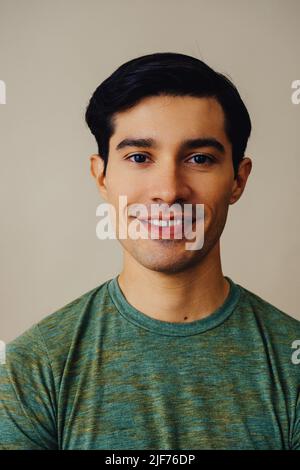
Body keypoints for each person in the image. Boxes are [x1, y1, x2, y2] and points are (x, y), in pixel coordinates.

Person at [0, 52, 299, 450]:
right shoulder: (31, 369)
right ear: (101, 176)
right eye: (139, 157)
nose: (170, 190)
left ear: (237, 180)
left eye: (199, 159)